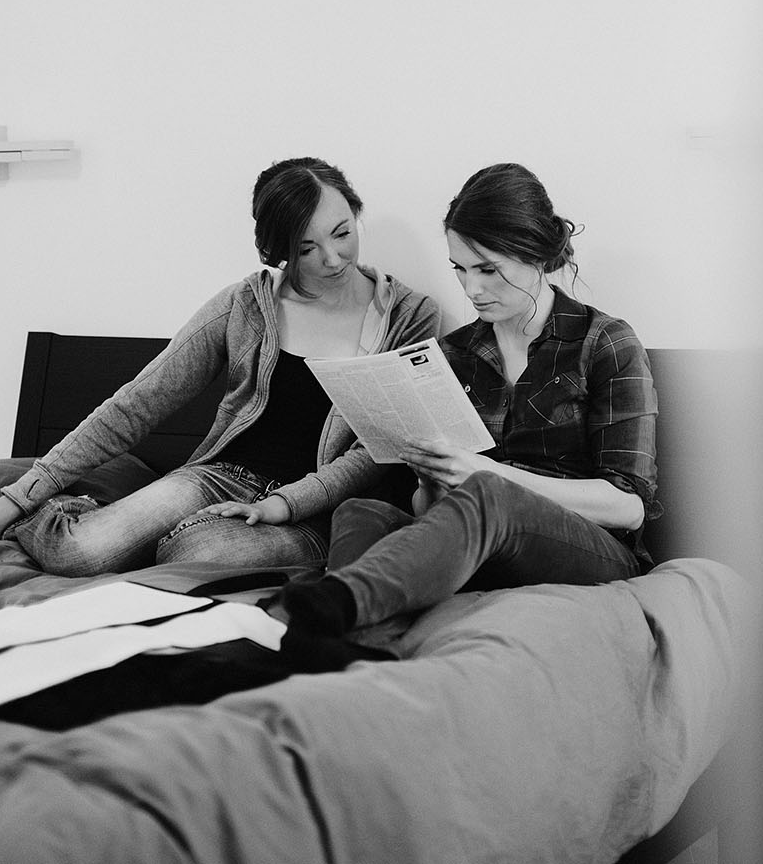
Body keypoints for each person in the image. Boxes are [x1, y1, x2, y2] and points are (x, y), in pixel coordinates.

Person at [0, 157, 441, 578]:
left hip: (318, 513)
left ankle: (172, 539)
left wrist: (286, 504)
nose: (333, 259)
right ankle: (84, 515)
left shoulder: (410, 317)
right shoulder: (245, 306)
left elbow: (376, 451)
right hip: (219, 479)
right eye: (306, 248)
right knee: (78, 551)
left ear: (356, 214)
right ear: (279, 251)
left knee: (197, 553)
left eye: (342, 233)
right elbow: (136, 405)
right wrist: (16, 498)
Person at [271, 162, 660, 672]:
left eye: (488, 269)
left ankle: (339, 602)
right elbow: (433, 505)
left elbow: (628, 507)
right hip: (482, 540)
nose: (471, 290)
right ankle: (356, 647)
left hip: (590, 548)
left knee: (490, 493)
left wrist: (485, 475)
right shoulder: (453, 354)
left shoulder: (604, 342)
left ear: (538, 256)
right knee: (360, 511)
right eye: (459, 268)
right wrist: (432, 475)